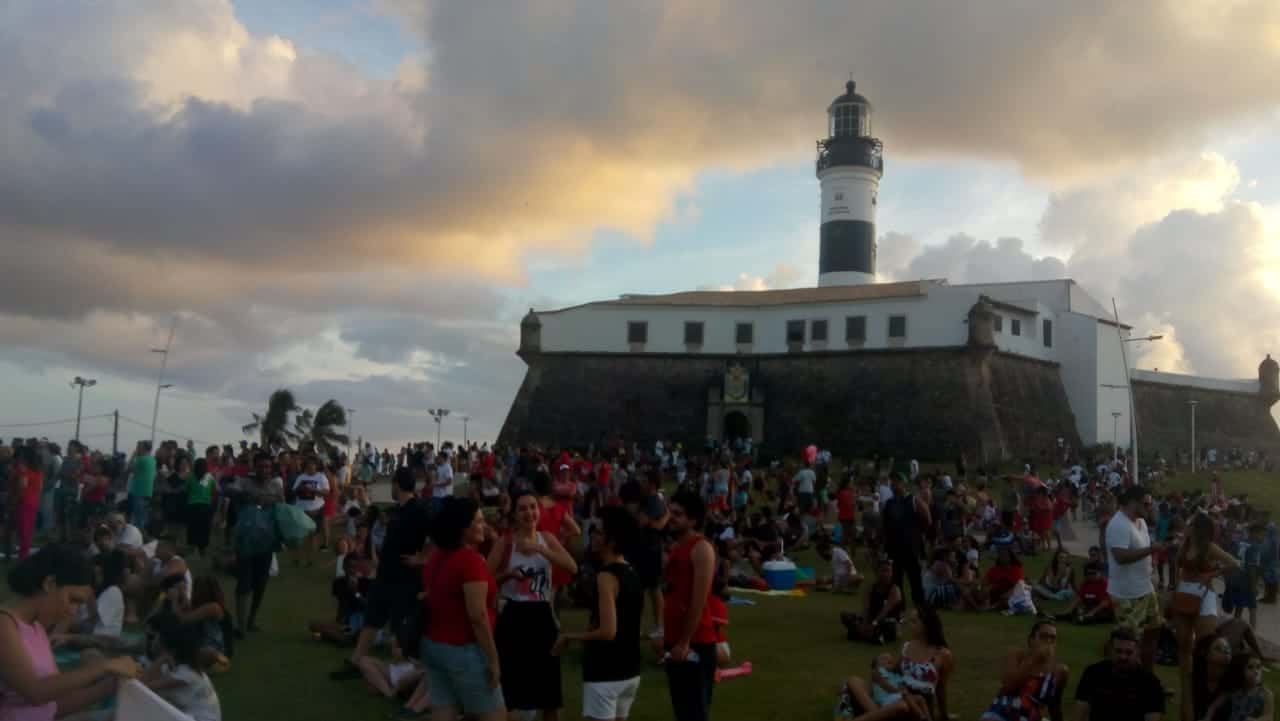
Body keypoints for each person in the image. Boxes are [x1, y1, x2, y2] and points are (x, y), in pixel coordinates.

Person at [0, 545, 141, 720]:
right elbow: (35, 691)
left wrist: (112, 685)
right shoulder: (4, 624)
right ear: (50, 584)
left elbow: (53, 706)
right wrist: (104, 666)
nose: (73, 611)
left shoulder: (37, 629)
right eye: (73, 600)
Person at [333, 467, 430, 680]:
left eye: (392, 484)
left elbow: (436, 537)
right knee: (372, 618)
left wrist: (422, 558)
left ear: (397, 484)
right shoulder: (398, 510)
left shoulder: (418, 509)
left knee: (400, 625)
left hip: (405, 578)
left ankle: (404, 673)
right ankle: (356, 662)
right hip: (386, 575)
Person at [488, 491, 577, 720]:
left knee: (549, 693)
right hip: (514, 617)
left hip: (542, 615)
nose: (529, 513)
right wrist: (507, 575)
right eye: (522, 508)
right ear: (514, 515)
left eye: (533, 507)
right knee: (510, 691)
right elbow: (484, 581)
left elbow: (572, 567)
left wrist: (539, 549)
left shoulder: (547, 538)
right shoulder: (505, 542)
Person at [553, 505, 644, 721]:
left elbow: (607, 631)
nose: (592, 535)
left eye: (599, 532)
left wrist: (569, 636)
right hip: (630, 670)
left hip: (606, 671)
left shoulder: (606, 577)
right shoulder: (631, 572)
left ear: (612, 540)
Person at [421, 496, 504, 721]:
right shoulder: (470, 561)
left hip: (434, 645)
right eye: (478, 521)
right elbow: (477, 616)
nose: (484, 525)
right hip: (463, 649)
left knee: (444, 710)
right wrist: (493, 660)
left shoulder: (436, 558)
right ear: (463, 529)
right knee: (494, 714)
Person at [1171, 511, 1239, 720]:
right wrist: (1174, 587)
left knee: (1205, 646)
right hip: (1184, 595)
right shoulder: (1184, 544)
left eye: (1191, 523)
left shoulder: (1208, 547)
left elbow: (1234, 563)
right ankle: (1187, 691)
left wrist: (1211, 574)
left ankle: (1207, 691)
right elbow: (1177, 565)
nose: (1187, 526)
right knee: (1184, 645)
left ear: (1197, 528)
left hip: (1204, 596)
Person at [838, 605, 953, 721]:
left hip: (917, 707)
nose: (909, 625)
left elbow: (941, 689)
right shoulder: (907, 646)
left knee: (901, 706)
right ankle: (879, 715)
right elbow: (893, 670)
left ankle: (873, 716)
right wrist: (878, 671)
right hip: (895, 697)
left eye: (914, 621)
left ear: (926, 625)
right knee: (854, 681)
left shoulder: (943, 654)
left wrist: (944, 715)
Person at [663, 490, 717, 721]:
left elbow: (699, 600)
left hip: (696, 641)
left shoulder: (701, 548)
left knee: (694, 712)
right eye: (671, 512)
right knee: (682, 710)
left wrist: (684, 641)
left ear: (693, 520)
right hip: (674, 638)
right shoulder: (676, 547)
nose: (671, 518)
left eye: (678, 514)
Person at [1106, 487, 1164, 671]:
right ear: (1133, 502)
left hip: (1145, 588)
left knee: (1154, 631)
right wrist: (1151, 550)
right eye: (1146, 503)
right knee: (1128, 644)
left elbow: (1142, 550)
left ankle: (1147, 676)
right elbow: (1120, 557)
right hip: (1127, 594)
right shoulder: (1119, 524)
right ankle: (1125, 679)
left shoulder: (1141, 522)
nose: (1149, 507)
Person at [231, 453, 283, 637]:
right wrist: (245, 495)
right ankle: (241, 626)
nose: (265, 470)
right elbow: (230, 489)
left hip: (266, 541)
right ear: (254, 467)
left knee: (261, 583)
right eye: (261, 466)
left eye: (267, 467)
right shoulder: (244, 483)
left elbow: (281, 508)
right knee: (244, 582)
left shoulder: (276, 486)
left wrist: (268, 500)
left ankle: (251, 621)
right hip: (245, 541)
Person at [979, 618, 1068, 721]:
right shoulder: (1016, 656)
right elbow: (1009, 685)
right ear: (1031, 640)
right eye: (1043, 637)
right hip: (1001, 715)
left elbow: (1055, 707)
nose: (1048, 641)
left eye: (1053, 638)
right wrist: (1035, 659)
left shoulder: (1059, 671)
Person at [1073, 627, 1166, 721]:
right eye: (1118, 651)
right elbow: (1079, 713)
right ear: (1110, 650)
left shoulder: (1150, 683)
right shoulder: (1093, 673)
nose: (1123, 657)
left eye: (1129, 653)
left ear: (1138, 652)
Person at [880, 473, 930, 607]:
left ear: (903, 484)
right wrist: (884, 544)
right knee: (896, 579)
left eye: (896, 482)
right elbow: (884, 526)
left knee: (915, 578)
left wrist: (916, 533)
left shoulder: (913, 500)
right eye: (892, 482)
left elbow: (927, 519)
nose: (893, 485)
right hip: (894, 547)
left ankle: (920, 607)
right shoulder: (889, 503)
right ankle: (899, 607)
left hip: (911, 548)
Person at [841, 559, 904, 644]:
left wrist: (873, 624)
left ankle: (862, 634)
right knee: (845, 615)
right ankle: (872, 635)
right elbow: (866, 609)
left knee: (891, 626)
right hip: (871, 620)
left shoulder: (895, 590)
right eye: (884, 570)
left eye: (889, 571)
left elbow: (885, 611)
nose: (887, 574)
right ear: (877, 572)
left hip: (886, 621)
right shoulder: (870, 588)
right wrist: (864, 624)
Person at [1200, 652, 1272, 721]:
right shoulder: (1234, 690)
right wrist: (1207, 718)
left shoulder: (1266, 694)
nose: (1256, 671)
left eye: (1258, 667)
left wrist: (1256, 720)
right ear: (1240, 670)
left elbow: (1269, 717)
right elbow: (1214, 706)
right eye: (1250, 667)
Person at [291, 456, 330, 568]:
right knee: (300, 535)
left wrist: (314, 490)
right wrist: (301, 488)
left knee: (313, 536)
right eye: (308, 464)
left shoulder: (321, 477)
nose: (310, 466)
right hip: (301, 510)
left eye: (312, 464)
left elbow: (327, 492)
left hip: (316, 510)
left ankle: (310, 560)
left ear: (316, 466)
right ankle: (297, 559)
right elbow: (294, 491)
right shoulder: (301, 477)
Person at [1189, 634, 1236, 721]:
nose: (1225, 652)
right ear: (1205, 653)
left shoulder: (1234, 681)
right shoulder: (1193, 680)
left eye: (1228, 649)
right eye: (1218, 649)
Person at [186, 458, 216, 560]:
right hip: (206, 506)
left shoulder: (191, 476)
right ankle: (202, 549)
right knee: (204, 528)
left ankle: (192, 548)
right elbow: (215, 490)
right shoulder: (209, 477)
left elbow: (186, 489)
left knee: (193, 527)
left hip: (193, 505)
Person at [127, 440, 157, 530]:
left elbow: (129, 468)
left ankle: (138, 535)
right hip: (148, 491)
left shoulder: (141, 459)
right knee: (143, 516)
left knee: (138, 517)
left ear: (143, 448)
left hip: (138, 491)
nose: (137, 449)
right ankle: (142, 533)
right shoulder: (153, 460)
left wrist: (133, 456)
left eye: (138, 447)